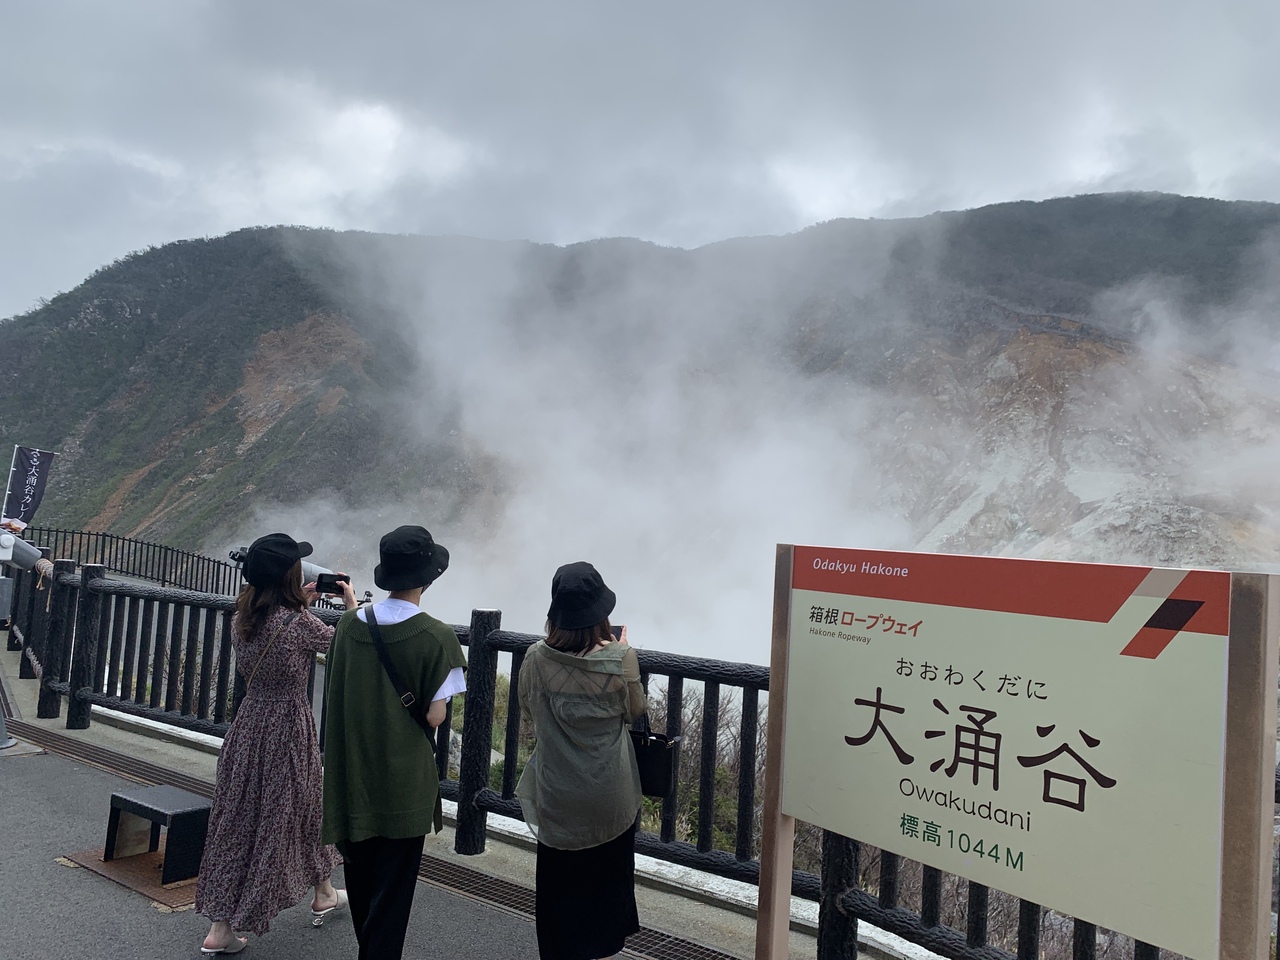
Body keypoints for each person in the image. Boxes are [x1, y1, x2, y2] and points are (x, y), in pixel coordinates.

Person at [195, 532, 359, 955]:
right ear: (291, 574)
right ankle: (293, 898)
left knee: (238, 818)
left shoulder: (243, 616)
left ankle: (225, 924)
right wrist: (351, 608)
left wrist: (298, 603)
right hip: (288, 727)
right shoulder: (301, 624)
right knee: (295, 809)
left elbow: (279, 626)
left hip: (248, 725)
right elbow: (347, 649)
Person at [321, 524, 467, 960]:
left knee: (362, 882)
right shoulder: (438, 636)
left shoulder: (348, 625)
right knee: (393, 892)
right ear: (426, 577)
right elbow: (435, 716)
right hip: (404, 783)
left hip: (351, 777)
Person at [515, 561, 646, 960]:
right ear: (600, 613)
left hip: (558, 791)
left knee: (560, 885)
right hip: (611, 793)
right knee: (607, 884)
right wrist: (619, 651)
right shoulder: (622, 657)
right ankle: (602, 948)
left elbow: (527, 709)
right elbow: (634, 710)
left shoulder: (536, 658)